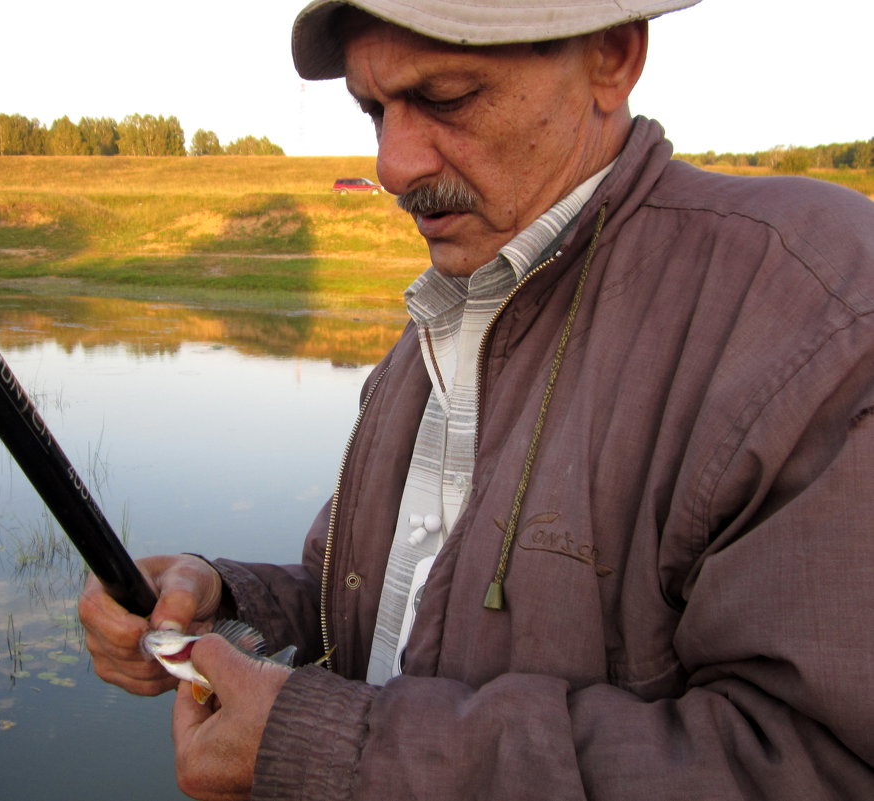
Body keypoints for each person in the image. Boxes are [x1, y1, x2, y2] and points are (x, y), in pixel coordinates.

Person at [78, 1, 874, 798]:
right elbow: (367, 603)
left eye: (448, 96)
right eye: (373, 109)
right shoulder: (445, 314)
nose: (393, 164)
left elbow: (820, 764)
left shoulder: (814, 300)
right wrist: (225, 608)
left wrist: (333, 752)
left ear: (613, 55)